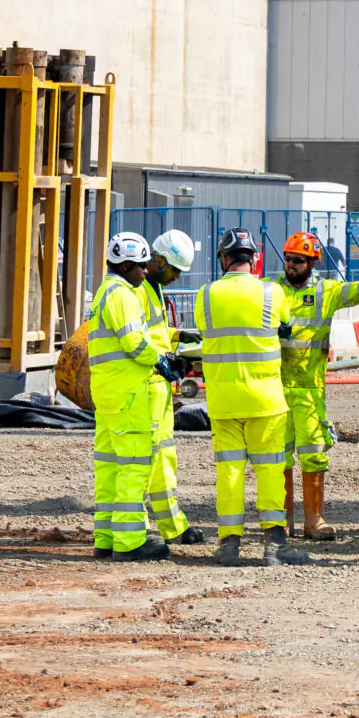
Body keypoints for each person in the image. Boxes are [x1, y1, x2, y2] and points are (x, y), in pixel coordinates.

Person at [193, 228, 306, 566]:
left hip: (224, 402)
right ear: (254, 259)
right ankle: (274, 546)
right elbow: (286, 325)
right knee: (270, 470)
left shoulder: (206, 295)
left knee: (229, 472)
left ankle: (229, 545)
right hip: (265, 401)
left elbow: (204, 329)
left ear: (223, 259)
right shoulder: (272, 292)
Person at [273, 229, 359, 540]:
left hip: (309, 390)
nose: (291, 265)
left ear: (313, 263)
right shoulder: (271, 292)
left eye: (298, 260)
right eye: (288, 259)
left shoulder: (326, 292)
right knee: (277, 456)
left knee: (313, 452)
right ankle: (280, 522)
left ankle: (314, 520)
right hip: (275, 387)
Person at [85, 231, 184, 561]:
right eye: (140, 266)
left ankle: (106, 537)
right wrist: (161, 361)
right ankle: (129, 541)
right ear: (125, 266)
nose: (145, 271)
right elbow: (135, 343)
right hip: (129, 393)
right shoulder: (123, 294)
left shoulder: (104, 293)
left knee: (110, 468)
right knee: (134, 465)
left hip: (108, 394)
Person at [145, 229, 209, 547]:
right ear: (159, 260)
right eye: (175, 270)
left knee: (163, 459)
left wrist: (177, 336)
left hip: (156, 386)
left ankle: (172, 526)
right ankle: (136, 529)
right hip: (143, 385)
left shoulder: (153, 289)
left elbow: (154, 332)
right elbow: (136, 340)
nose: (177, 278)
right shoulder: (137, 289)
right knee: (142, 462)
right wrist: (164, 360)